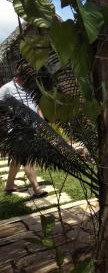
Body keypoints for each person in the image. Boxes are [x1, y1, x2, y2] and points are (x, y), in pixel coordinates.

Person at [0, 65, 48, 198]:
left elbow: (36, 106)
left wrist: (43, 124)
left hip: (31, 128)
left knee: (17, 158)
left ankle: (9, 185)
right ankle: (37, 188)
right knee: (27, 157)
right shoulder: (7, 88)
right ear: (22, 76)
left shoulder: (29, 89)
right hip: (17, 130)